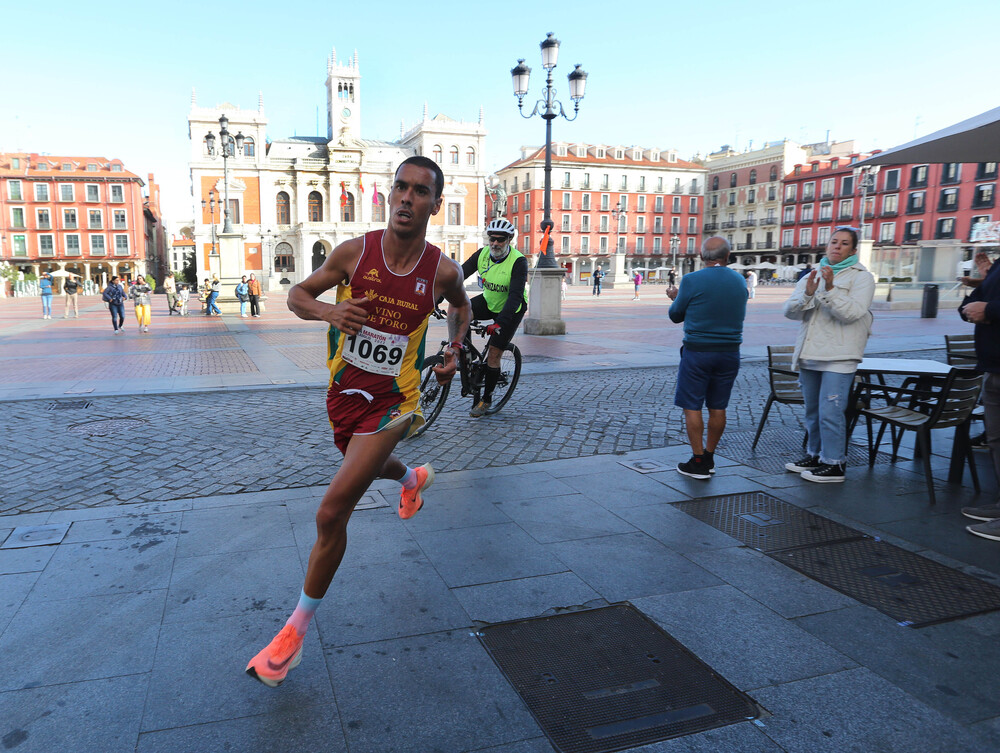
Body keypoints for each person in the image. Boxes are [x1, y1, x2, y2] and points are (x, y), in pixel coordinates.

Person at [244, 156, 471, 688]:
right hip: (344, 393)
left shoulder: (441, 270)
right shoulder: (354, 253)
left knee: (331, 511)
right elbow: (296, 295)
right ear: (390, 195)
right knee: (361, 464)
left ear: (435, 206)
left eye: (420, 192)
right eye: (401, 188)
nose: (407, 199)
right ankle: (412, 479)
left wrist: (455, 348)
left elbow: (461, 307)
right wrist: (329, 312)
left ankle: (292, 637)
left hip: (397, 399)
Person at [782, 227, 874, 483]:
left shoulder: (862, 278)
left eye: (844, 243)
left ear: (853, 250)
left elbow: (853, 313)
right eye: (834, 242)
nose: (837, 246)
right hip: (810, 353)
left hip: (840, 355)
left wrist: (831, 289)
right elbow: (790, 312)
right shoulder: (813, 274)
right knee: (812, 410)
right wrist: (810, 293)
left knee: (831, 411)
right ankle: (815, 455)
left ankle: (834, 464)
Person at [667, 237, 748, 479]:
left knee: (692, 405)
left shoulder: (692, 280)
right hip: (730, 352)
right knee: (718, 406)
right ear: (728, 255)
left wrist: (675, 297)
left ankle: (698, 460)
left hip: (698, 351)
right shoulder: (739, 280)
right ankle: (710, 456)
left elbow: (675, 315)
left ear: (702, 256)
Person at [459, 217, 528, 417]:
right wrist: (436, 298)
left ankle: (486, 399)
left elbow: (515, 297)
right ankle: (468, 356)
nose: (495, 243)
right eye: (492, 239)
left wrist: (499, 323)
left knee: (495, 353)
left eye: (500, 239)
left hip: (510, 309)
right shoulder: (482, 255)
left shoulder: (518, 262)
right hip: (489, 301)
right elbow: (458, 276)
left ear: (509, 240)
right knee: (461, 313)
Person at [959, 251, 1000, 541]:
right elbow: (970, 303)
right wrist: (974, 306)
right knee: (997, 440)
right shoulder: (997, 267)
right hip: (993, 366)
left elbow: (987, 305)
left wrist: (989, 311)